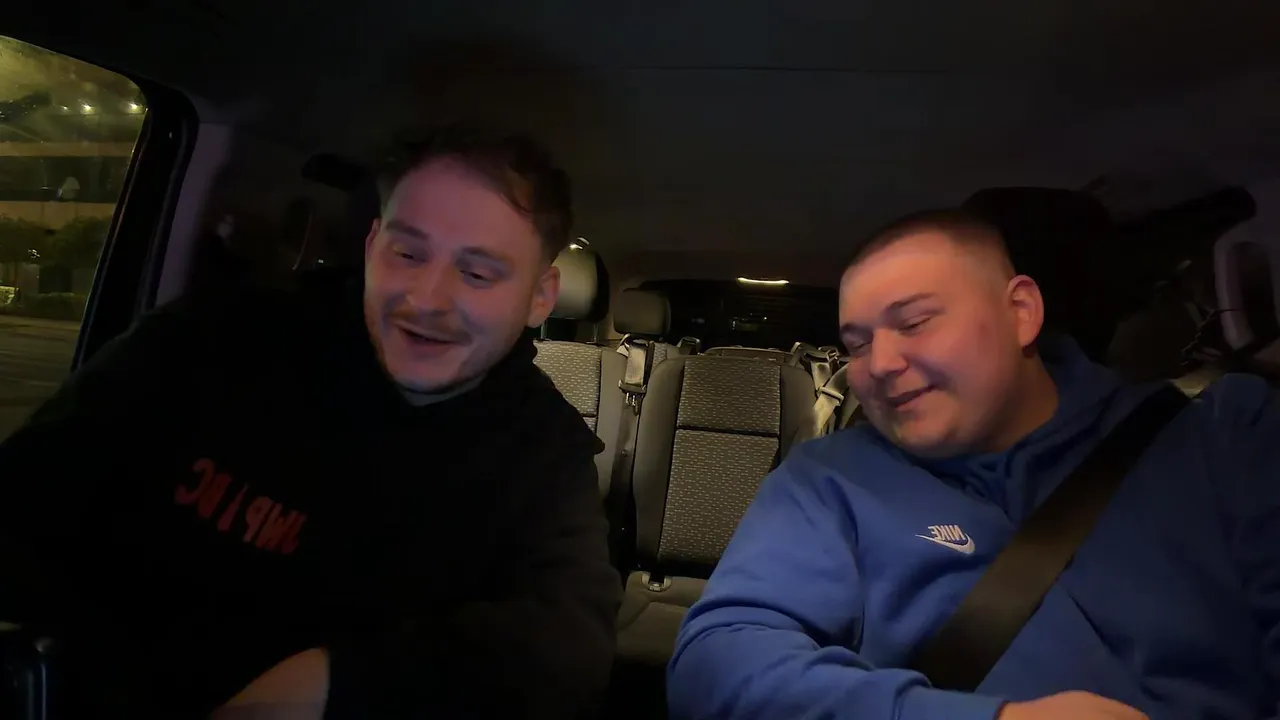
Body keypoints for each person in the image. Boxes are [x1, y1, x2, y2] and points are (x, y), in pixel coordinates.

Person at [0, 123, 621, 718]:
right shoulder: (210, 339)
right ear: (372, 246)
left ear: (540, 297)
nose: (425, 299)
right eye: (407, 252)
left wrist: (340, 682)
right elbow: (31, 494)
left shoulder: (546, 453)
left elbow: (568, 648)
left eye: (477, 272)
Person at [667, 209, 1279, 719]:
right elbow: (717, 663)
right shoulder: (828, 481)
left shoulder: (1222, 436)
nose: (879, 363)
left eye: (914, 322)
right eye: (857, 343)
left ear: (1021, 312)